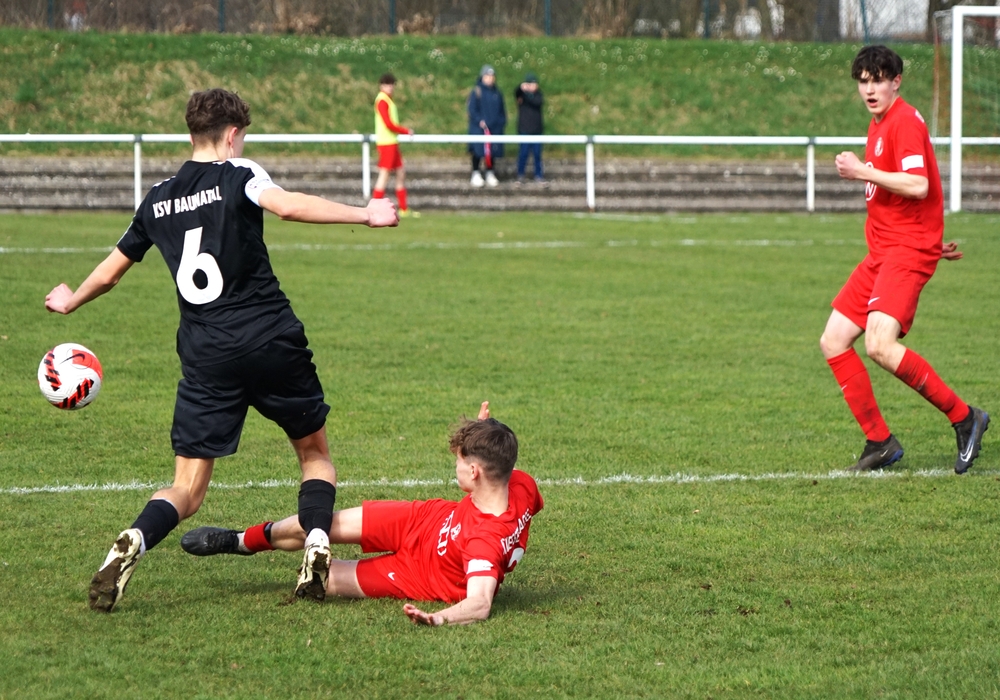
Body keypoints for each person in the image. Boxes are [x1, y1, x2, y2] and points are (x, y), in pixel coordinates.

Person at [44, 88, 399, 612]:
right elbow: (288, 206)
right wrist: (366, 214)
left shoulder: (157, 198)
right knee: (314, 455)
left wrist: (72, 299)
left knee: (186, 490)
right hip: (270, 339)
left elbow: (113, 270)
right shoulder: (239, 173)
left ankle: (136, 536)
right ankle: (317, 542)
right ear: (232, 135)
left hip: (206, 355)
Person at [180, 402, 544, 627]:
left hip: (417, 575)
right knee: (318, 525)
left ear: (476, 472)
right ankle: (240, 541)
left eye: (461, 461)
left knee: (323, 578)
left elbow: (480, 603)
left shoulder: (483, 544)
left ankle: (276, 554)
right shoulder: (521, 484)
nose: (456, 465)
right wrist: (484, 431)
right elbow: (499, 461)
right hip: (422, 520)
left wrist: (437, 618)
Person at [822, 46, 989, 473]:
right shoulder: (878, 123)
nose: (870, 89)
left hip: (904, 251)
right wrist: (931, 237)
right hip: (884, 250)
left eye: (879, 80)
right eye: (864, 81)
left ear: (896, 82)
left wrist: (861, 171)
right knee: (834, 340)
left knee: (879, 344)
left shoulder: (905, 122)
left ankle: (965, 418)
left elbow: (917, 185)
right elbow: (907, 195)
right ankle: (880, 441)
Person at [373, 73, 419, 218]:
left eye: (392, 84)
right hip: (386, 143)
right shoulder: (382, 101)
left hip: (392, 142)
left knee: (400, 173)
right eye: (387, 84)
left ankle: (403, 208)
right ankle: (374, 208)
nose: (390, 87)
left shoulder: (387, 100)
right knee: (384, 175)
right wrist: (405, 131)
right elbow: (388, 123)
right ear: (381, 85)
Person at [467, 65, 507, 188]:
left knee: (492, 151)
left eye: (491, 76)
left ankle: (490, 172)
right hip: (479, 128)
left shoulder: (497, 93)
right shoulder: (477, 91)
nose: (490, 79)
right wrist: (480, 121)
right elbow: (472, 110)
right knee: (478, 151)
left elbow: (502, 111)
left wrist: (501, 122)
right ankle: (476, 173)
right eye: (487, 76)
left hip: (494, 128)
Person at [514, 72, 545, 186]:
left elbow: (537, 102)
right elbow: (516, 92)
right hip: (525, 129)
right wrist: (521, 88)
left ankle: (539, 175)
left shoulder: (538, 95)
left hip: (537, 130)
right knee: (523, 154)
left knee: (537, 155)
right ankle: (520, 175)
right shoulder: (521, 95)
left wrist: (528, 94)